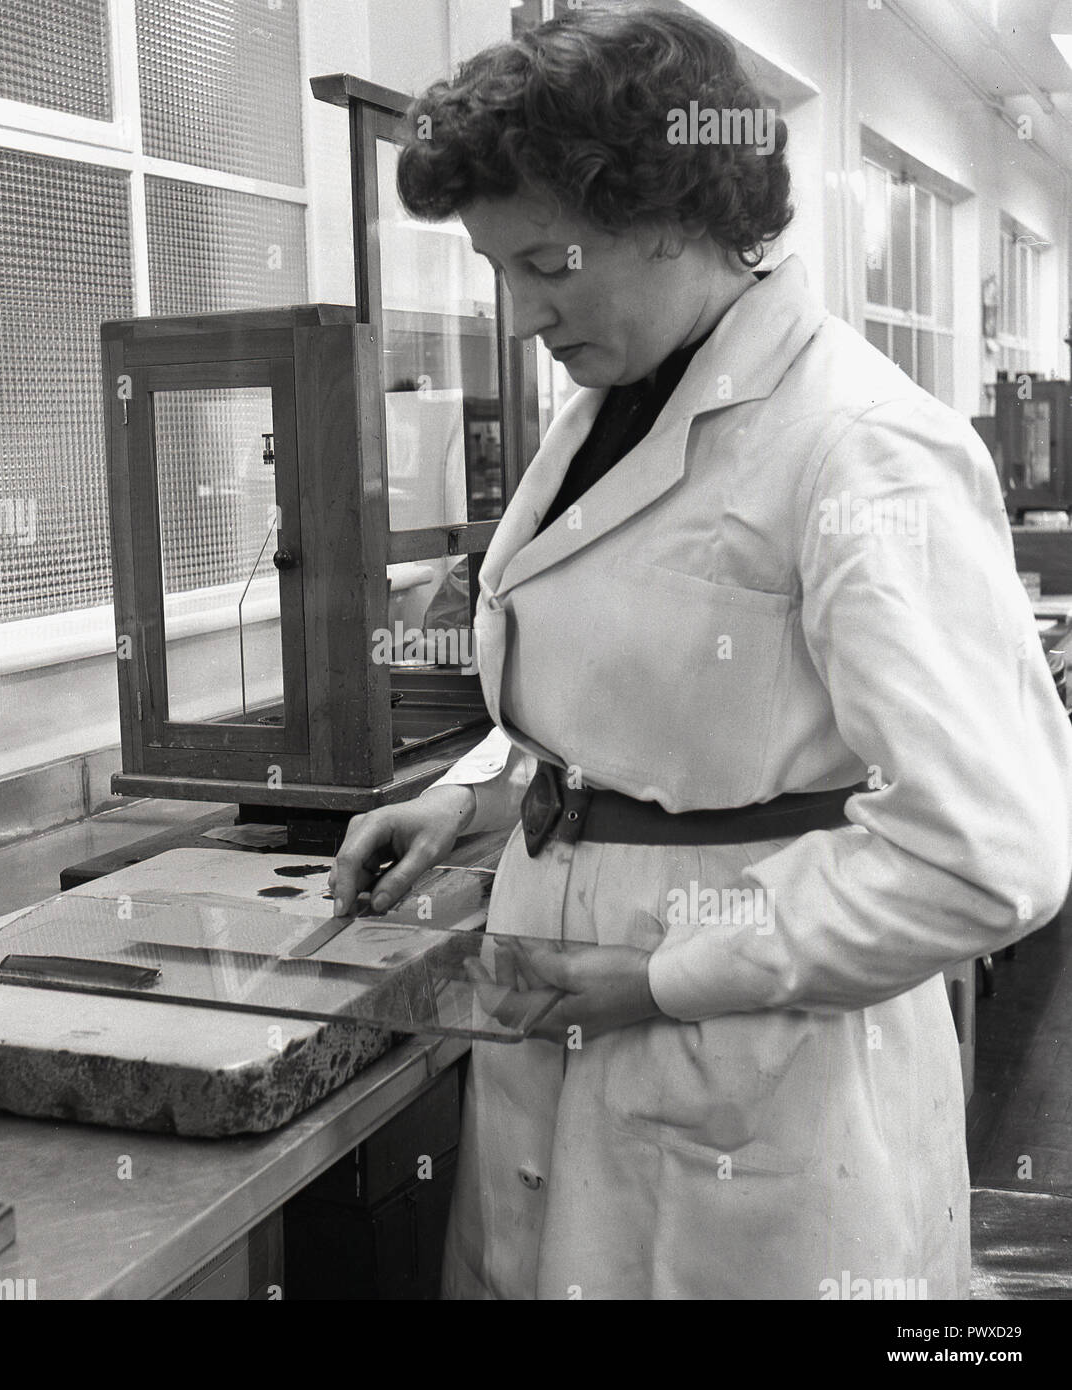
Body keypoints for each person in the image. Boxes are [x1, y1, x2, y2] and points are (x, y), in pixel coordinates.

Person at [328, 5, 1072, 1300]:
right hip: (556, 1061)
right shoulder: (616, 404)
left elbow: (986, 849)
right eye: (501, 269)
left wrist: (666, 978)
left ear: (676, 204)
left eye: (548, 260)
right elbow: (635, 702)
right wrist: (474, 797)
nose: (520, 315)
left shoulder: (857, 448)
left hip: (756, 1100)